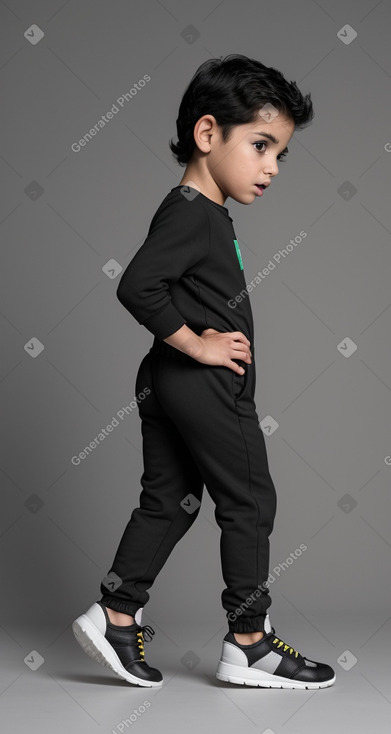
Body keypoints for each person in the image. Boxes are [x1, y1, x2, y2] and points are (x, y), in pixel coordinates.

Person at [72, 54, 336, 690]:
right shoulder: (193, 209)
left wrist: (183, 348)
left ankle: (116, 612)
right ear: (209, 134)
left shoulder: (199, 210)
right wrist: (198, 345)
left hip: (167, 383)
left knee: (171, 501)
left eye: (281, 154)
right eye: (261, 145)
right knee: (249, 498)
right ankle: (249, 642)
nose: (272, 167)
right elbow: (136, 286)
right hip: (201, 387)